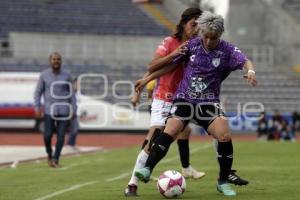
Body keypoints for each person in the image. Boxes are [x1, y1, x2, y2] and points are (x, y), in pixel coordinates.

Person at [134, 11, 257, 196]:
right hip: (185, 99)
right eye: (205, 36)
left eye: (212, 38)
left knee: (224, 135)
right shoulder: (190, 45)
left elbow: (245, 61)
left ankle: (223, 181)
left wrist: (251, 71)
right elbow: (169, 66)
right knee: (171, 129)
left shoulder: (228, 50)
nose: (208, 41)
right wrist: (146, 80)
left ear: (219, 35)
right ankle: (147, 169)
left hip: (208, 103)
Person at [125, 8, 205, 197]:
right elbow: (153, 66)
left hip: (185, 99)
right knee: (154, 140)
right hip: (164, 97)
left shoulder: (197, 45)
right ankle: (132, 184)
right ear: (183, 23)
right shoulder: (170, 42)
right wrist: (140, 87)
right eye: (193, 24)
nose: (196, 29)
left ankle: (189, 168)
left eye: (199, 26)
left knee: (192, 130)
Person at [34, 52, 76, 168]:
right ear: (50, 61)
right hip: (49, 110)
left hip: (64, 111)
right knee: (47, 135)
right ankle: (49, 154)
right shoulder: (44, 75)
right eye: (54, 59)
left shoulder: (67, 75)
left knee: (61, 136)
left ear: (61, 61)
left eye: (58, 59)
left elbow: (72, 94)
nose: (56, 61)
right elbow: (38, 93)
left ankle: (56, 159)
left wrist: (73, 108)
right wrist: (37, 107)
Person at [66, 77, 80, 150]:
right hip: (71, 113)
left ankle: (72, 144)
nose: (78, 85)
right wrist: (70, 112)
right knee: (74, 129)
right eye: (76, 83)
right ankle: (69, 144)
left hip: (75, 113)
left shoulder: (76, 93)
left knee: (76, 128)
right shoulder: (70, 93)